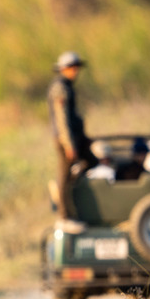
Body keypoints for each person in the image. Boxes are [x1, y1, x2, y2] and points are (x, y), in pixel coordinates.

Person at [47, 51, 94, 228]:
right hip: (67, 140)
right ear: (64, 69)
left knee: (90, 162)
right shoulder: (60, 88)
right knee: (64, 178)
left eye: (76, 68)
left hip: (76, 138)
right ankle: (65, 216)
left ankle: (76, 204)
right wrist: (69, 144)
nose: (75, 72)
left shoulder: (67, 86)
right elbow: (62, 120)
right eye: (72, 69)